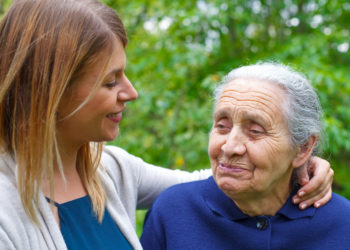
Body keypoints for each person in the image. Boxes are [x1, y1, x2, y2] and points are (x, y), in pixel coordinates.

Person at [0, 0, 333, 249]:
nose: (131, 92)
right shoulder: (6, 208)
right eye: (111, 81)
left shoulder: (110, 171)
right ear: (51, 91)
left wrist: (298, 159)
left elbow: (221, 176)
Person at [140, 62, 350, 250]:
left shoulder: (342, 222)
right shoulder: (173, 211)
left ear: (303, 148)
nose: (230, 147)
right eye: (222, 126)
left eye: (255, 131)